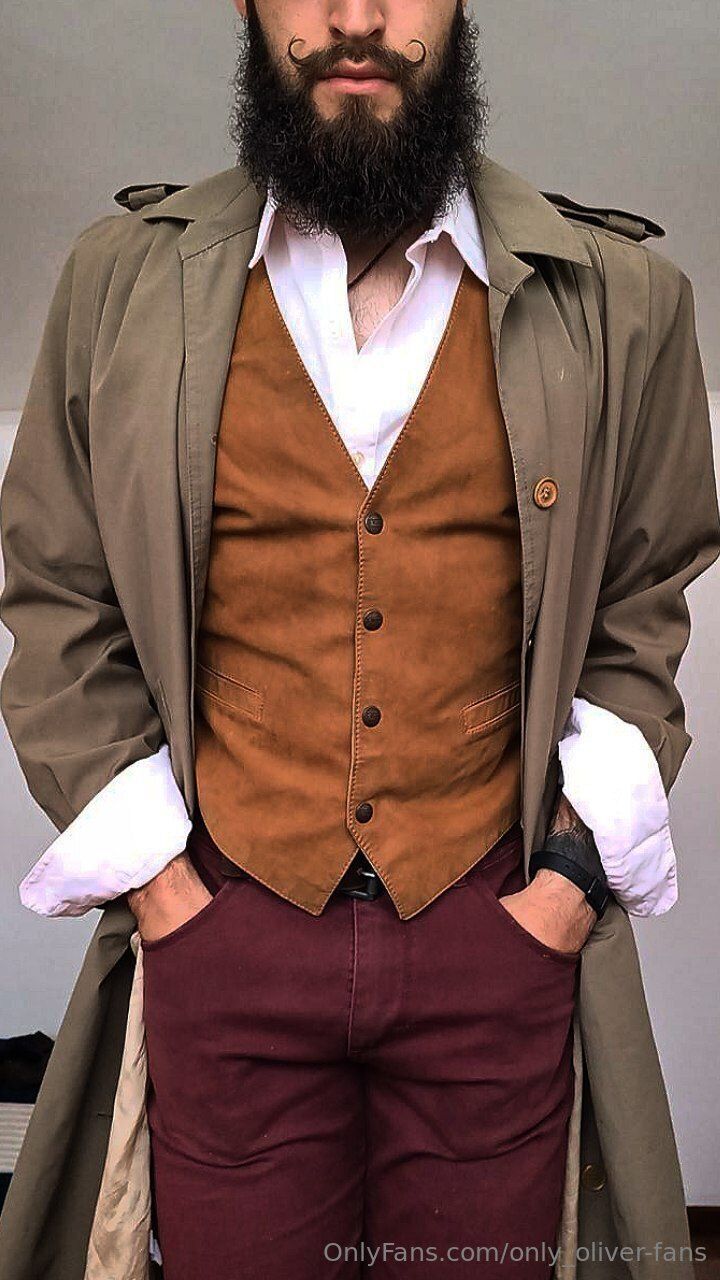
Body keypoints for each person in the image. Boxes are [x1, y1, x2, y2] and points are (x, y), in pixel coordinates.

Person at [1, 2, 718, 1277]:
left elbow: (640, 601)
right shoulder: (121, 282)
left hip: (495, 939)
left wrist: (566, 878)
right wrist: (165, 890)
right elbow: (60, 592)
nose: (356, 19)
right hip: (225, 932)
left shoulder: (625, 300)